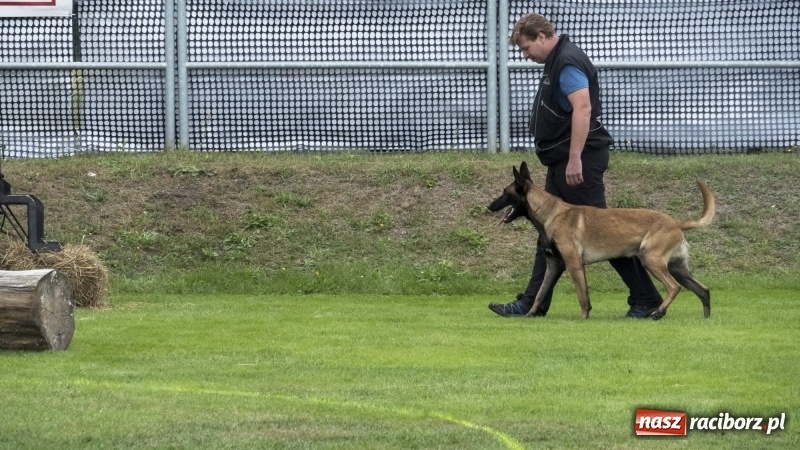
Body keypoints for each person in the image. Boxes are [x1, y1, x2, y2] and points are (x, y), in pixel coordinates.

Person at [489, 13, 663, 319]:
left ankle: (646, 299)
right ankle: (532, 304)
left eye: (526, 48)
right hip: (563, 160)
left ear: (542, 37)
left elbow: (583, 109)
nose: (524, 55)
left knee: (609, 233)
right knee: (549, 234)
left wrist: (574, 158)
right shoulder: (556, 61)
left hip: (578, 160)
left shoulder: (567, 62)